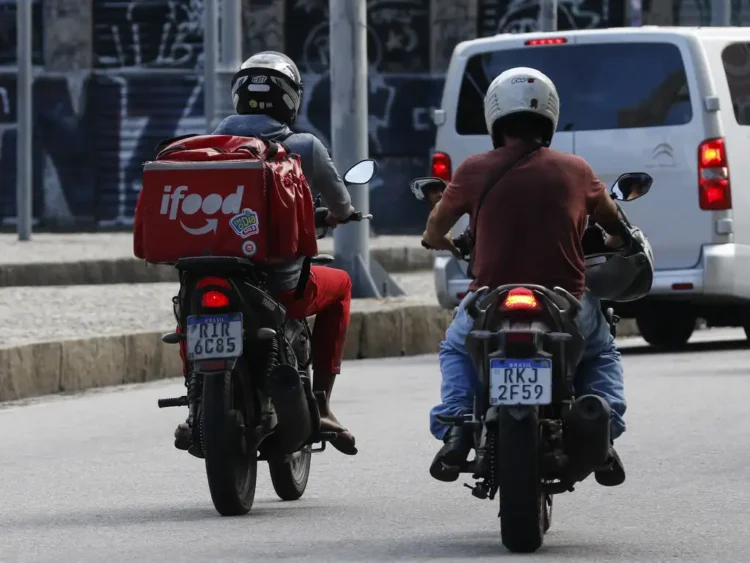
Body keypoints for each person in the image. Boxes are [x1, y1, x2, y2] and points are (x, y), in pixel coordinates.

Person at [422, 67, 630, 487]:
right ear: (550, 115)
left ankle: (458, 425)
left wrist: (443, 243)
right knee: (600, 353)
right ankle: (603, 431)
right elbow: (615, 224)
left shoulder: (473, 169)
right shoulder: (577, 170)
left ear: (494, 117)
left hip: (490, 301)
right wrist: (615, 239)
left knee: (457, 348)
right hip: (565, 304)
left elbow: (433, 230)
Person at [174, 51, 358, 456]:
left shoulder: (204, 148)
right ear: (291, 99)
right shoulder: (304, 146)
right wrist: (338, 216)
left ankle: (194, 409)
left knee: (191, 317)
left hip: (206, 276)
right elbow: (341, 205)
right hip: (281, 288)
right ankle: (323, 402)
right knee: (341, 286)